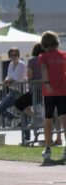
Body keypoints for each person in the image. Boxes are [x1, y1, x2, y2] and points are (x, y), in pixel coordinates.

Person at [38, 31, 66, 159]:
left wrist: (47, 82)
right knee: (64, 119)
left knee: (48, 119)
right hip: (63, 90)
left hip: (49, 92)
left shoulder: (43, 56)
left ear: (43, 43)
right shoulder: (64, 55)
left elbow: (44, 69)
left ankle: (48, 149)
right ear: (56, 42)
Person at [14, 42, 45, 142]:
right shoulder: (46, 59)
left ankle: (36, 118)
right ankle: (37, 119)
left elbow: (30, 76)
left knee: (18, 103)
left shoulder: (32, 61)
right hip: (46, 89)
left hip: (35, 90)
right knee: (47, 110)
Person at [0, 47, 27, 122]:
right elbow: (9, 76)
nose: (14, 57)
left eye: (15, 55)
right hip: (12, 91)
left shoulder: (21, 64)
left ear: (18, 55)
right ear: (9, 56)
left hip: (20, 92)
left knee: (24, 114)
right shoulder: (10, 64)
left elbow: (16, 78)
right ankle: (12, 117)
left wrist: (7, 81)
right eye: (12, 55)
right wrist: (6, 80)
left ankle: (30, 127)